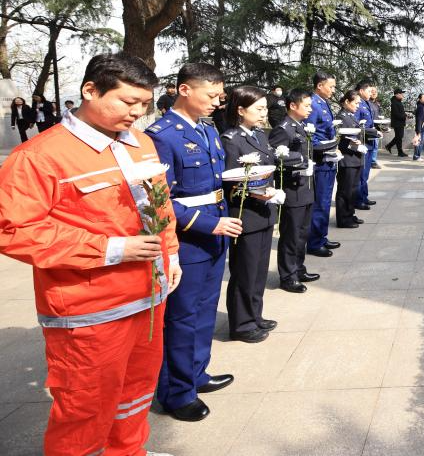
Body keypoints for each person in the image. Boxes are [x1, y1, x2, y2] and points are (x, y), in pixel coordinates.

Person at [0, 52, 179, 456]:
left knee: (136, 391)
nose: (137, 113)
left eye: (144, 104)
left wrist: (171, 253)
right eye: (128, 102)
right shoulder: (40, 156)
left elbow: (160, 206)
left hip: (149, 297)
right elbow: (14, 229)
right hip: (90, 310)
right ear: (90, 91)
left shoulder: (141, 143)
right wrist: (112, 248)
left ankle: (128, 451)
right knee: (85, 407)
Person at [147, 63, 242, 423]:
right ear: (185, 90)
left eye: (221, 95)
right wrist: (208, 224)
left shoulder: (206, 128)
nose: (218, 102)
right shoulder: (163, 136)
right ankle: (177, 392)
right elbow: (159, 199)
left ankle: (197, 373)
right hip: (188, 240)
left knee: (204, 311)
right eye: (212, 94)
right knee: (182, 317)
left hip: (215, 235)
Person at [221, 87, 284, 343]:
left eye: (265, 108)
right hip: (245, 213)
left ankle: (254, 315)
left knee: (258, 271)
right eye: (258, 109)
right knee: (244, 272)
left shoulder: (258, 135)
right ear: (240, 110)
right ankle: (241, 323)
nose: (263, 113)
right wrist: (261, 193)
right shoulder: (231, 139)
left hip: (263, 211)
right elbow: (231, 181)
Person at [268, 89, 323, 293]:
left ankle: (299, 268)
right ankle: (288, 276)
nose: (310, 109)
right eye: (306, 105)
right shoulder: (283, 129)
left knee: (302, 233)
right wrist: (299, 162)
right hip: (292, 189)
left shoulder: (299, 126)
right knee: (291, 235)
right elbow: (275, 158)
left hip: (305, 187)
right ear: (293, 105)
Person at [307, 72, 342, 257]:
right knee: (320, 202)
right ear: (319, 85)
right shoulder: (313, 104)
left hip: (329, 158)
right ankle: (314, 242)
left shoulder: (323, 102)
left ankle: (321, 236)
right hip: (320, 159)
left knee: (326, 200)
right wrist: (326, 148)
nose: (333, 90)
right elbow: (310, 135)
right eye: (331, 86)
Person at [336, 90, 377, 228]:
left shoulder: (351, 116)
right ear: (347, 102)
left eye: (359, 103)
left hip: (355, 159)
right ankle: (343, 219)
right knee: (345, 190)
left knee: (353, 190)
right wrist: (356, 147)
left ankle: (350, 214)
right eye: (356, 103)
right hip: (347, 159)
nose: (358, 106)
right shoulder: (341, 117)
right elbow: (341, 141)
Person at [355, 80, 378, 207]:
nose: (371, 93)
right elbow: (356, 124)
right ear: (361, 91)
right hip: (363, 142)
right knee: (361, 174)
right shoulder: (357, 103)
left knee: (366, 173)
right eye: (369, 91)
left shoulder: (367, 103)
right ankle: (358, 199)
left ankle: (364, 196)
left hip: (369, 141)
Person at [386, 89, 409, 157]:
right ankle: (400, 152)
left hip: (400, 122)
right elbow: (396, 114)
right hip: (397, 123)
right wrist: (404, 117)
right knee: (399, 137)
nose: (402, 95)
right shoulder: (394, 103)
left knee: (399, 137)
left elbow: (400, 112)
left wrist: (405, 115)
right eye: (401, 93)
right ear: (396, 94)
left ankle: (389, 146)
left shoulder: (398, 102)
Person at [368, 86, 383, 169]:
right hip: (370, 127)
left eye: (375, 91)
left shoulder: (377, 104)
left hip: (377, 127)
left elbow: (378, 115)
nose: (374, 93)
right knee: (371, 145)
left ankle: (373, 161)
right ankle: (371, 161)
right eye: (372, 91)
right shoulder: (367, 103)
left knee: (375, 145)